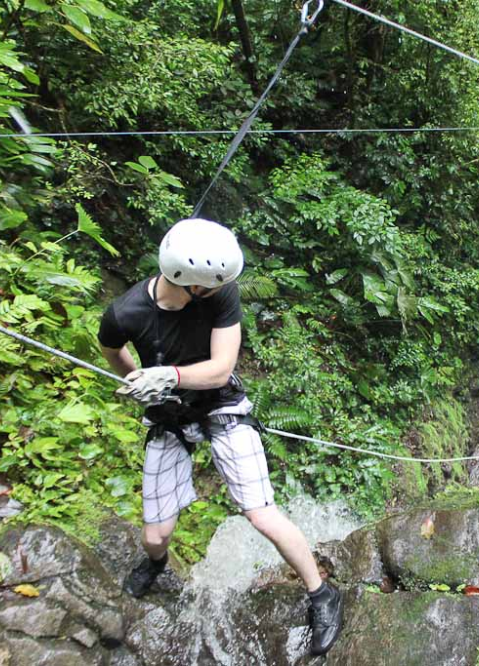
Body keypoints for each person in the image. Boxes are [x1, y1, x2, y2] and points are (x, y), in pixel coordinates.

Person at [98, 218, 344, 656]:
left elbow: (220, 368)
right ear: (191, 284)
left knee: (260, 513)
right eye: (213, 285)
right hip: (168, 412)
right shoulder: (125, 313)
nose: (225, 287)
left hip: (220, 404)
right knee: (155, 536)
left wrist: (167, 374)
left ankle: (321, 593)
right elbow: (110, 348)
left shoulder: (221, 292)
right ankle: (156, 565)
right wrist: (136, 379)